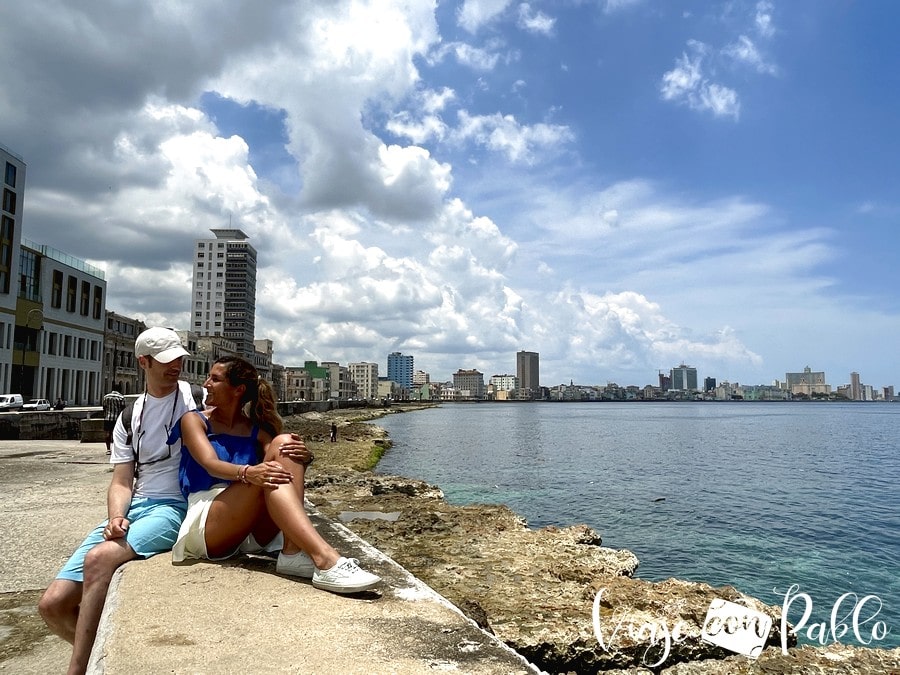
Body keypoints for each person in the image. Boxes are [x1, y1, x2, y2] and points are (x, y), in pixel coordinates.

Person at [39, 327, 196, 675]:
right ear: (144, 362)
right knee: (53, 605)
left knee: (100, 558)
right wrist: (115, 516)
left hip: (173, 506)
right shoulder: (129, 416)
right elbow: (122, 480)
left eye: (179, 359)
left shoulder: (193, 398)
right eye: (167, 361)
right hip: (137, 506)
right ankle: (103, 660)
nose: (176, 367)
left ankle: (77, 671)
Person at [170, 355, 381, 594]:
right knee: (268, 471)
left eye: (215, 379)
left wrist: (304, 456)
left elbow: (283, 467)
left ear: (238, 389)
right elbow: (210, 464)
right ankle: (326, 559)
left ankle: (292, 551)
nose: (206, 384)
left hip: (250, 531)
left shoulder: (257, 431)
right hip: (209, 523)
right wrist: (249, 472)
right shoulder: (194, 420)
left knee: (285, 442)